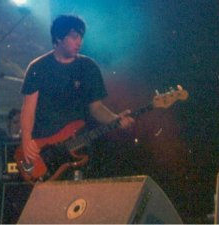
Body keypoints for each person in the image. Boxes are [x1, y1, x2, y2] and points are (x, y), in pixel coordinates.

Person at [20, 14, 134, 177]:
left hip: (79, 145)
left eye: (81, 37)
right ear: (58, 38)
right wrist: (26, 141)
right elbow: (28, 109)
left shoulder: (88, 67)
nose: (79, 42)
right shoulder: (38, 67)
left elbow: (96, 107)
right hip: (45, 148)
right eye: (74, 37)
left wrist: (115, 119)